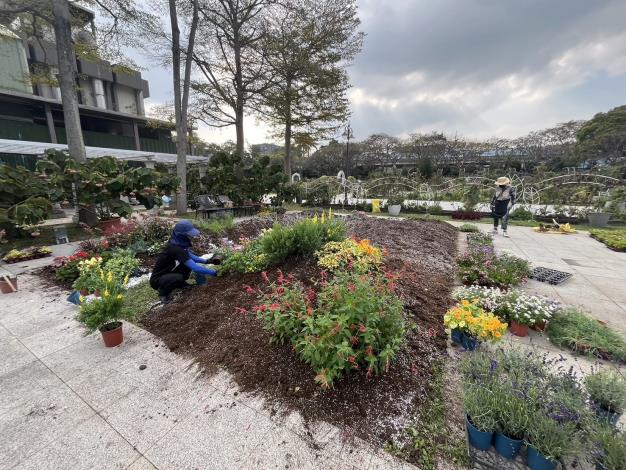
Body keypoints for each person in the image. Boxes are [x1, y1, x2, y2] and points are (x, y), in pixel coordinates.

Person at [150, 220, 218, 302]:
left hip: (168, 272)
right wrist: (214, 272)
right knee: (178, 277)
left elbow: (191, 256)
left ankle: (181, 284)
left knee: (186, 264)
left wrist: (207, 261)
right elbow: (195, 268)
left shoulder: (178, 243)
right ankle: (163, 293)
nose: (191, 236)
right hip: (157, 280)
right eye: (188, 234)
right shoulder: (176, 248)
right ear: (181, 235)